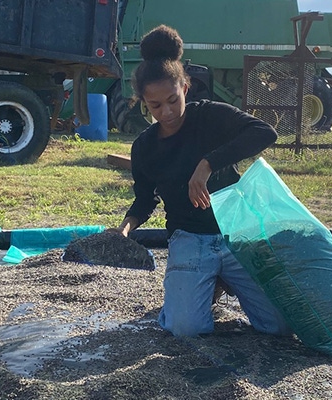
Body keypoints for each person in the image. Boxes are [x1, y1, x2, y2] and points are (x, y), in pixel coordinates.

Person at [111, 25, 291, 337]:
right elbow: (144, 200)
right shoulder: (144, 146)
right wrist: (124, 230)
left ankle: (216, 280)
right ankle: (204, 284)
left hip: (235, 234)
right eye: (155, 106)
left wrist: (207, 164)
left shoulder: (210, 116)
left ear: (185, 86)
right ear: (143, 101)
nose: (166, 112)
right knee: (185, 330)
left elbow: (265, 133)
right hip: (189, 237)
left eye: (173, 99)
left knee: (279, 326)